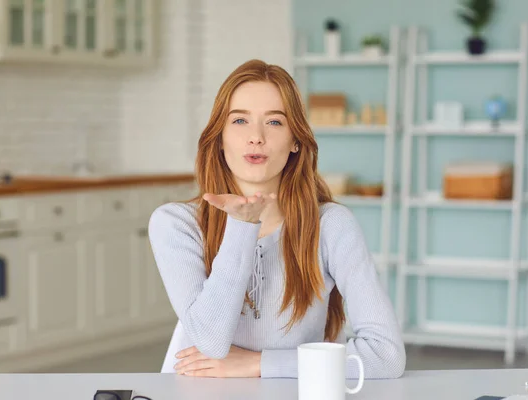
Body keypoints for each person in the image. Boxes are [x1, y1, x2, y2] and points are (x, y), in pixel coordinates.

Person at [148, 59, 406, 379]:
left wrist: (259, 364)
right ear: (219, 138)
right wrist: (242, 226)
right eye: (240, 121)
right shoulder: (176, 223)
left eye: (274, 123)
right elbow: (211, 343)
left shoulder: (332, 225)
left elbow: (387, 355)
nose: (256, 137)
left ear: (296, 140)